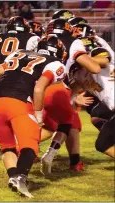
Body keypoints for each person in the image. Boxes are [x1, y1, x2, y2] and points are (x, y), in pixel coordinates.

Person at [0, 35, 67, 198]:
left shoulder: (20, 53)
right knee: (30, 145)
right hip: (19, 102)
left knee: (8, 146)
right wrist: (38, 115)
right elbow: (39, 89)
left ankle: (14, 177)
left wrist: (3, 89)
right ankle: (21, 177)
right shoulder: (54, 63)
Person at [40, 18, 101, 174]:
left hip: (34, 87)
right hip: (56, 87)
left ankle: (22, 149)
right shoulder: (74, 43)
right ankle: (58, 157)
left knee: (50, 125)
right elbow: (93, 68)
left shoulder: (41, 39)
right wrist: (102, 60)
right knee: (69, 123)